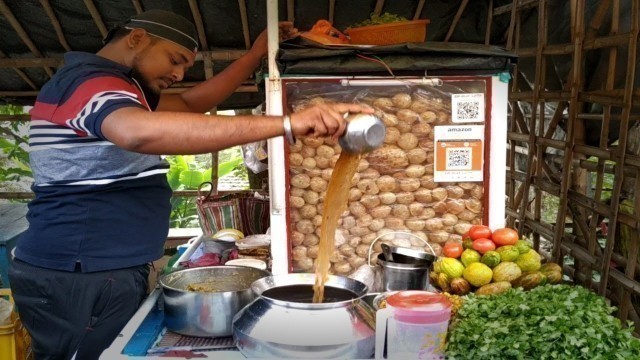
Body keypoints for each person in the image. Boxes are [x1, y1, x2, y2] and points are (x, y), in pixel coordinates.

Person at [8, 9, 372, 359]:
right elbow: (135, 133)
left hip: (95, 269)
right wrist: (288, 123)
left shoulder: (121, 91)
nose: (180, 73)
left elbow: (189, 103)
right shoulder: (90, 81)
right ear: (137, 39)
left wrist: (255, 55)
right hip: (78, 271)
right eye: (175, 59)